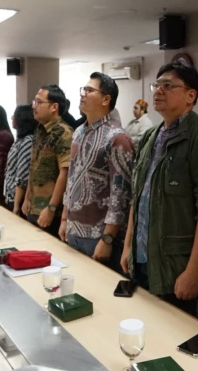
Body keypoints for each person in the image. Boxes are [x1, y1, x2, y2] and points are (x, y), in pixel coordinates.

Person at [121, 63, 198, 316]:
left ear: (190, 95)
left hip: (176, 265)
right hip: (142, 257)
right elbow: (138, 196)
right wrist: (128, 246)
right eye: (157, 85)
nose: (159, 90)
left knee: (174, 332)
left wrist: (193, 271)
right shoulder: (150, 136)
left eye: (168, 85)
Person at [60, 73, 134, 274]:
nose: (83, 94)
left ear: (106, 99)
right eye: (83, 89)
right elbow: (72, 179)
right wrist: (65, 219)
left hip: (99, 235)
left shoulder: (117, 137)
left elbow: (121, 194)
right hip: (74, 229)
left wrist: (107, 239)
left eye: (89, 90)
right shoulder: (79, 132)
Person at [22, 85, 72, 237]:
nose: (33, 106)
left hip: (50, 212)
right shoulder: (40, 129)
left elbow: (65, 173)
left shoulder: (64, 133)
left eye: (39, 102)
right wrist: (26, 198)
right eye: (34, 102)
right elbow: (33, 166)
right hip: (33, 207)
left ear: (54, 107)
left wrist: (51, 208)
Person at [3, 105, 36, 215]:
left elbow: (22, 176)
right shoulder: (20, 140)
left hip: (18, 200)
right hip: (11, 196)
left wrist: (16, 205)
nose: (12, 117)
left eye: (15, 115)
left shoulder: (27, 141)